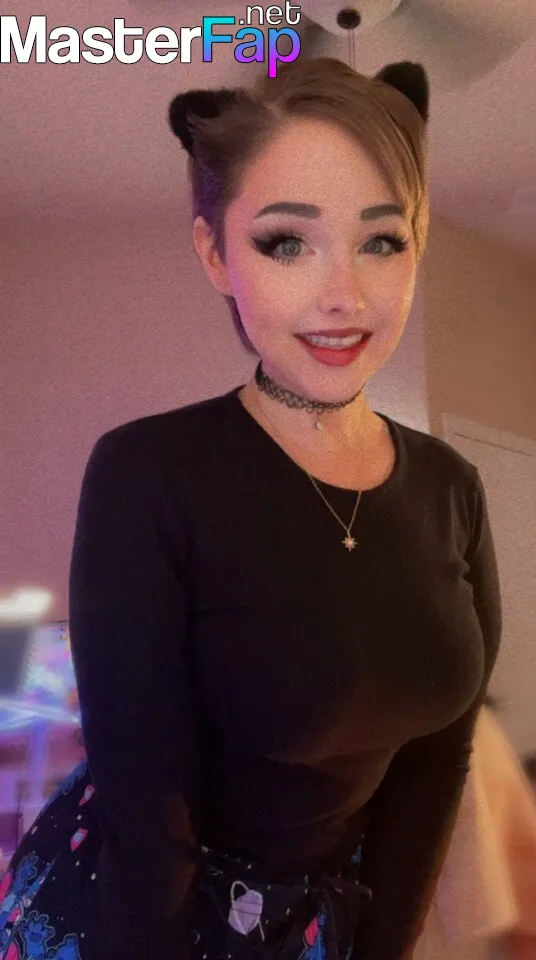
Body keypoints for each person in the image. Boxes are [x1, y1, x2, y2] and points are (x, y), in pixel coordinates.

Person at [0, 57, 502, 960]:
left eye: (382, 241)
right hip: (142, 912)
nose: (344, 294)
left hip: (321, 917)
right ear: (215, 254)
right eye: (286, 243)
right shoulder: (149, 472)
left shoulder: (453, 487)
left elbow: (437, 765)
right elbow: (148, 813)